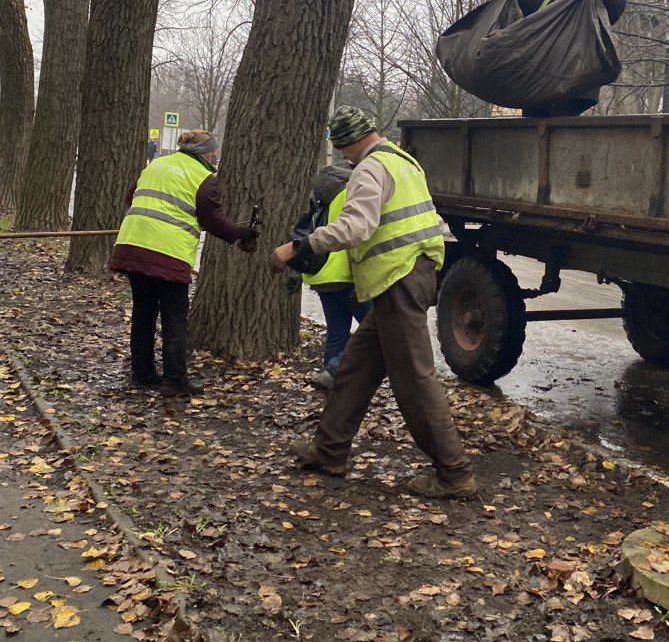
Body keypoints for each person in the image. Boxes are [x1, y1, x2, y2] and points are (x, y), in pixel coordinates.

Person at [272, 106, 476, 500]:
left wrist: (300, 247)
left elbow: (357, 226)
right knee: (355, 369)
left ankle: (454, 473)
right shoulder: (405, 162)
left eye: (342, 149)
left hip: (396, 279)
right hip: (406, 277)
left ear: (350, 142)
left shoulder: (369, 168)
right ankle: (329, 451)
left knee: (415, 379)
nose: (344, 158)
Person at [110, 130, 258, 396]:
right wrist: (240, 234)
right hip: (168, 253)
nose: (215, 160)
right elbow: (214, 220)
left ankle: (142, 373)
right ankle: (174, 380)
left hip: (133, 245)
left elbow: (131, 197)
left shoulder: (156, 164)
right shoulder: (202, 178)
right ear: (205, 153)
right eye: (214, 155)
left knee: (143, 312)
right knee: (174, 316)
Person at [480, 0, 627, 117]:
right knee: (535, 118)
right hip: (543, 86)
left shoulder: (594, 8)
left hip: (576, 88)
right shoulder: (549, 3)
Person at [299, 160, 371, 389]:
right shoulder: (351, 193)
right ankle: (336, 370)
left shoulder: (320, 194)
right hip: (346, 277)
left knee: (336, 333)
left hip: (322, 276)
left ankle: (332, 383)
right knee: (374, 330)